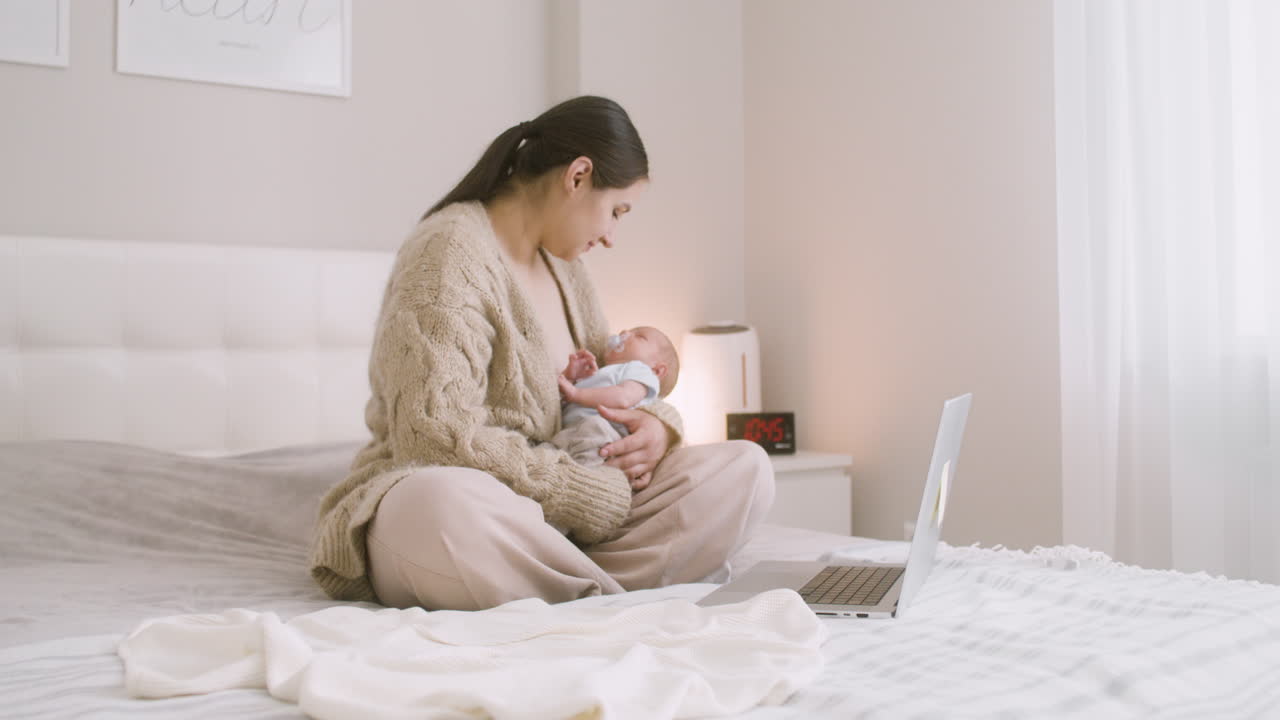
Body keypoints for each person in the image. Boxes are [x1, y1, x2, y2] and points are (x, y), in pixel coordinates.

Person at [308, 95, 775, 612]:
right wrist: (585, 494)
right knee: (442, 504)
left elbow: (612, 376)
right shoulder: (447, 254)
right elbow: (435, 438)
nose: (612, 236)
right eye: (616, 211)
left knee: (745, 468)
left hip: (566, 508)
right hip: (466, 502)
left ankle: (570, 588)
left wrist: (656, 425)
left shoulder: (565, 265)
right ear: (577, 176)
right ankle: (616, 596)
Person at [551, 326, 680, 471]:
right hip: (570, 432)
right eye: (627, 331)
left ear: (657, 370)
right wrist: (570, 378)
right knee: (552, 451)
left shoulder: (640, 371)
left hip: (603, 433)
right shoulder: (604, 372)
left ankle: (584, 477)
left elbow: (623, 398)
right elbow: (563, 402)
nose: (625, 332)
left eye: (640, 336)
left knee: (593, 434)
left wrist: (576, 393)